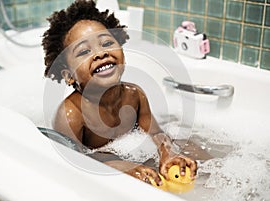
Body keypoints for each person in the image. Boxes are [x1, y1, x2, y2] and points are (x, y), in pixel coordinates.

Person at [42, 0, 197, 186]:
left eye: (107, 43)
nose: (100, 54)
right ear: (69, 76)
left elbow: (156, 133)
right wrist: (118, 165)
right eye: (84, 51)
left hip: (132, 155)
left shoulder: (135, 95)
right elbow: (73, 162)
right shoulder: (71, 114)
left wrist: (167, 152)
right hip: (97, 180)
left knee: (197, 151)